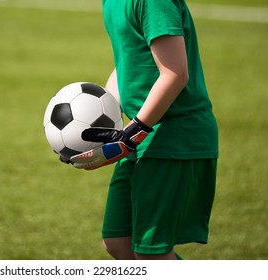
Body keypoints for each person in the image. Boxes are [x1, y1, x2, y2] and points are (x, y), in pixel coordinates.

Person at [69, 0, 219, 260]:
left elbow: (175, 73)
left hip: (173, 136)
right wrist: (96, 126)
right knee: (118, 241)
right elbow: (128, 60)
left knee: (151, 254)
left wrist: (134, 133)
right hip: (141, 135)